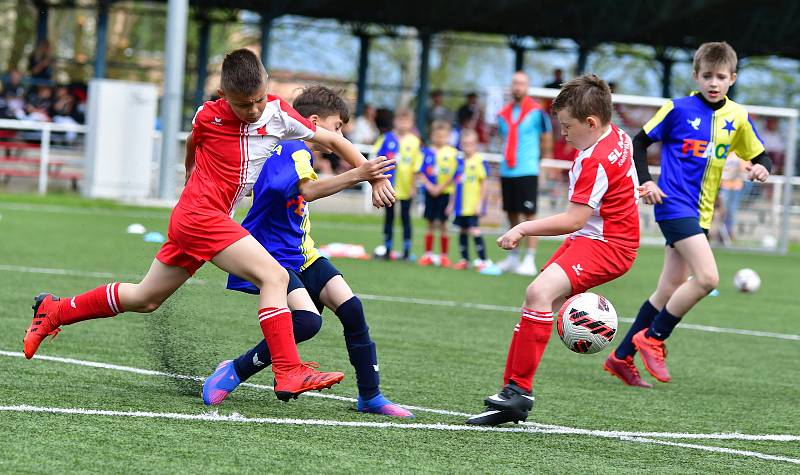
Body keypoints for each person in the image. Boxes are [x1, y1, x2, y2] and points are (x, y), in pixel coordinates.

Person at [22, 49, 396, 402]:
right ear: (223, 96)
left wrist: (373, 177)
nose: (252, 110)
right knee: (275, 277)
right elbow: (193, 143)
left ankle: (56, 310)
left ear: (267, 89)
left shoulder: (279, 113)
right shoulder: (208, 115)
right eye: (242, 103)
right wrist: (190, 177)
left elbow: (332, 139)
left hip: (198, 218)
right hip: (202, 216)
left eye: (259, 100)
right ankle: (288, 370)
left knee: (146, 298)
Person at [201, 85, 411, 416]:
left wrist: (365, 176)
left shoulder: (294, 151)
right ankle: (235, 370)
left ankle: (370, 396)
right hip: (273, 257)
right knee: (307, 323)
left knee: (352, 310)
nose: (341, 135)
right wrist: (359, 174)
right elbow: (309, 191)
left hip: (303, 254)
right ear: (313, 121)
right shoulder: (291, 149)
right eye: (338, 127)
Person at [467, 75, 643, 426]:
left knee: (539, 292)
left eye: (567, 127)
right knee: (538, 299)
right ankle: (512, 392)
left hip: (609, 245)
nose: (563, 134)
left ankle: (517, 394)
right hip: (597, 237)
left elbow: (574, 219)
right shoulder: (617, 135)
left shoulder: (595, 159)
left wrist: (522, 227)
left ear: (591, 123)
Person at [605, 42, 772, 387]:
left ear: (732, 79)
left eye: (721, 77)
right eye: (707, 76)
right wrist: (647, 183)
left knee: (668, 289)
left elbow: (762, 156)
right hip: (673, 205)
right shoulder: (676, 109)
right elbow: (638, 143)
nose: (714, 82)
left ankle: (621, 357)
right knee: (708, 279)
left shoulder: (738, 117)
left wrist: (761, 169)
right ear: (696, 76)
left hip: (702, 214)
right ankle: (654, 337)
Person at [496, 71, 553, 275]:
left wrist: (542, 164)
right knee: (511, 212)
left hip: (527, 169)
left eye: (521, 83)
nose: (517, 87)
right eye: (515, 83)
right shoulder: (502, 114)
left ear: (527, 86)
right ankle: (513, 257)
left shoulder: (537, 112)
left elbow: (546, 138)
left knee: (529, 215)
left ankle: (529, 258)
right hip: (507, 170)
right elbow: (504, 138)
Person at [373, 108, 422, 260]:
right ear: (395, 122)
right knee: (389, 217)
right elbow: (377, 157)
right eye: (401, 120)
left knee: (405, 218)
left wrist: (414, 186)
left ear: (411, 123)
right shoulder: (386, 138)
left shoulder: (414, 142)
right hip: (388, 186)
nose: (403, 124)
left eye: (406, 121)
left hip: (407, 187)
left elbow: (416, 166)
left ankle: (407, 251)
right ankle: (387, 249)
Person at [418, 121, 459, 267]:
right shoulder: (426, 152)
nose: (440, 139)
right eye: (437, 136)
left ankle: (444, 256)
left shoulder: (452, 153)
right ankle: (428, 254)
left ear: (448, 137)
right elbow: (421, 172)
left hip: (444, 193)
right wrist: (430, 186)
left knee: (443, 224)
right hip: (430, 192)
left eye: (443, 136)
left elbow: (454, 174)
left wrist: (440, 187)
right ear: (432, 136)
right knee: (429, 222)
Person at [449, 129, 492, 271]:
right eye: (465, 143)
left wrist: (480, 203)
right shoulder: (459, 162)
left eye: (471, 144)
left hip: (473, 205)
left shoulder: (479, 161)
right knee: (462, 230)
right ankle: (465, 260)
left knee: (474, 230)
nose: (468, 146)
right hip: (460, 205)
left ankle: (483, 260)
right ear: (461, 144)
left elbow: (484, 183)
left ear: (476, 145)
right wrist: (451, 204)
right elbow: (455, 184)